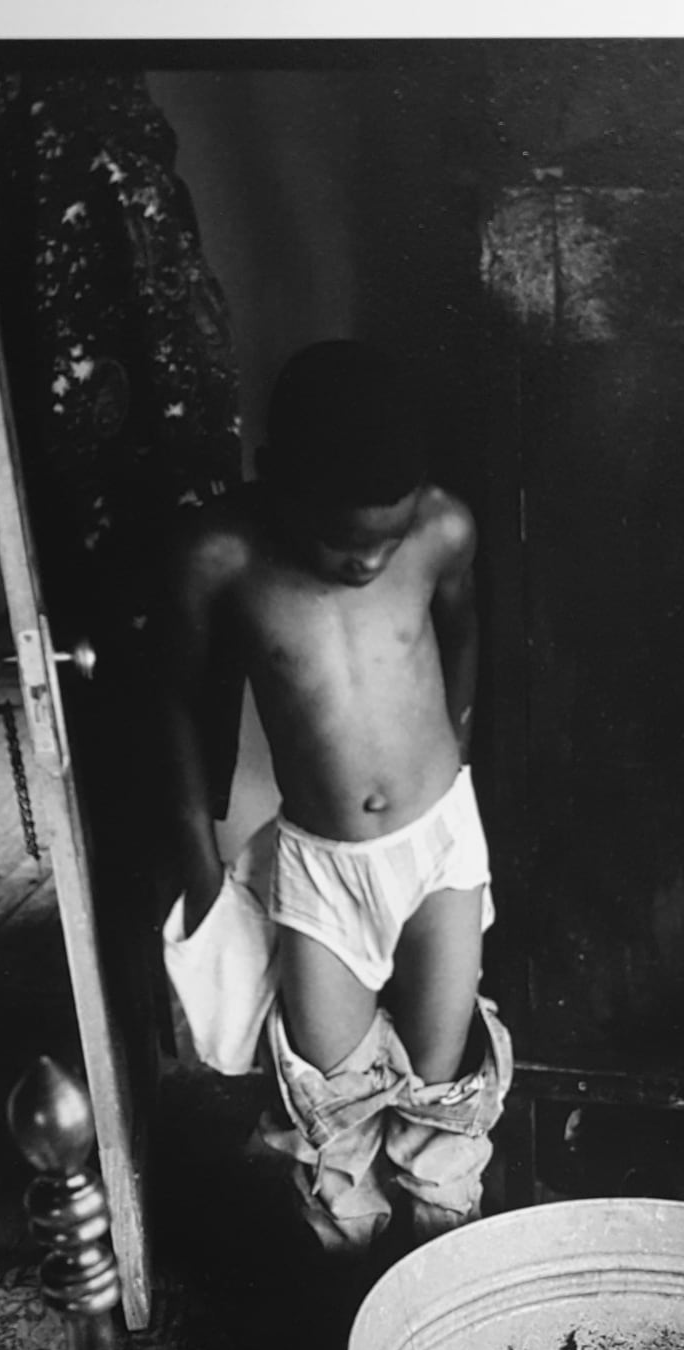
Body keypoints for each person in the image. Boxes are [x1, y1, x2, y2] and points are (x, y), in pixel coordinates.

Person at [155, 340, 512, 1254]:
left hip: (438, 850)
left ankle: (439, 1275)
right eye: (340, 542)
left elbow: (463, 630)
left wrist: (457, 750)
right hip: (318, 867)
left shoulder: (442, 528)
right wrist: (200, 866)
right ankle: (347, 1295)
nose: (366, 563)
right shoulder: (222, 557)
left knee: (442, 1086)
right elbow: (184, 707)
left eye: (384, 542)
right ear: (276, 483)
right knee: (329, 1095)